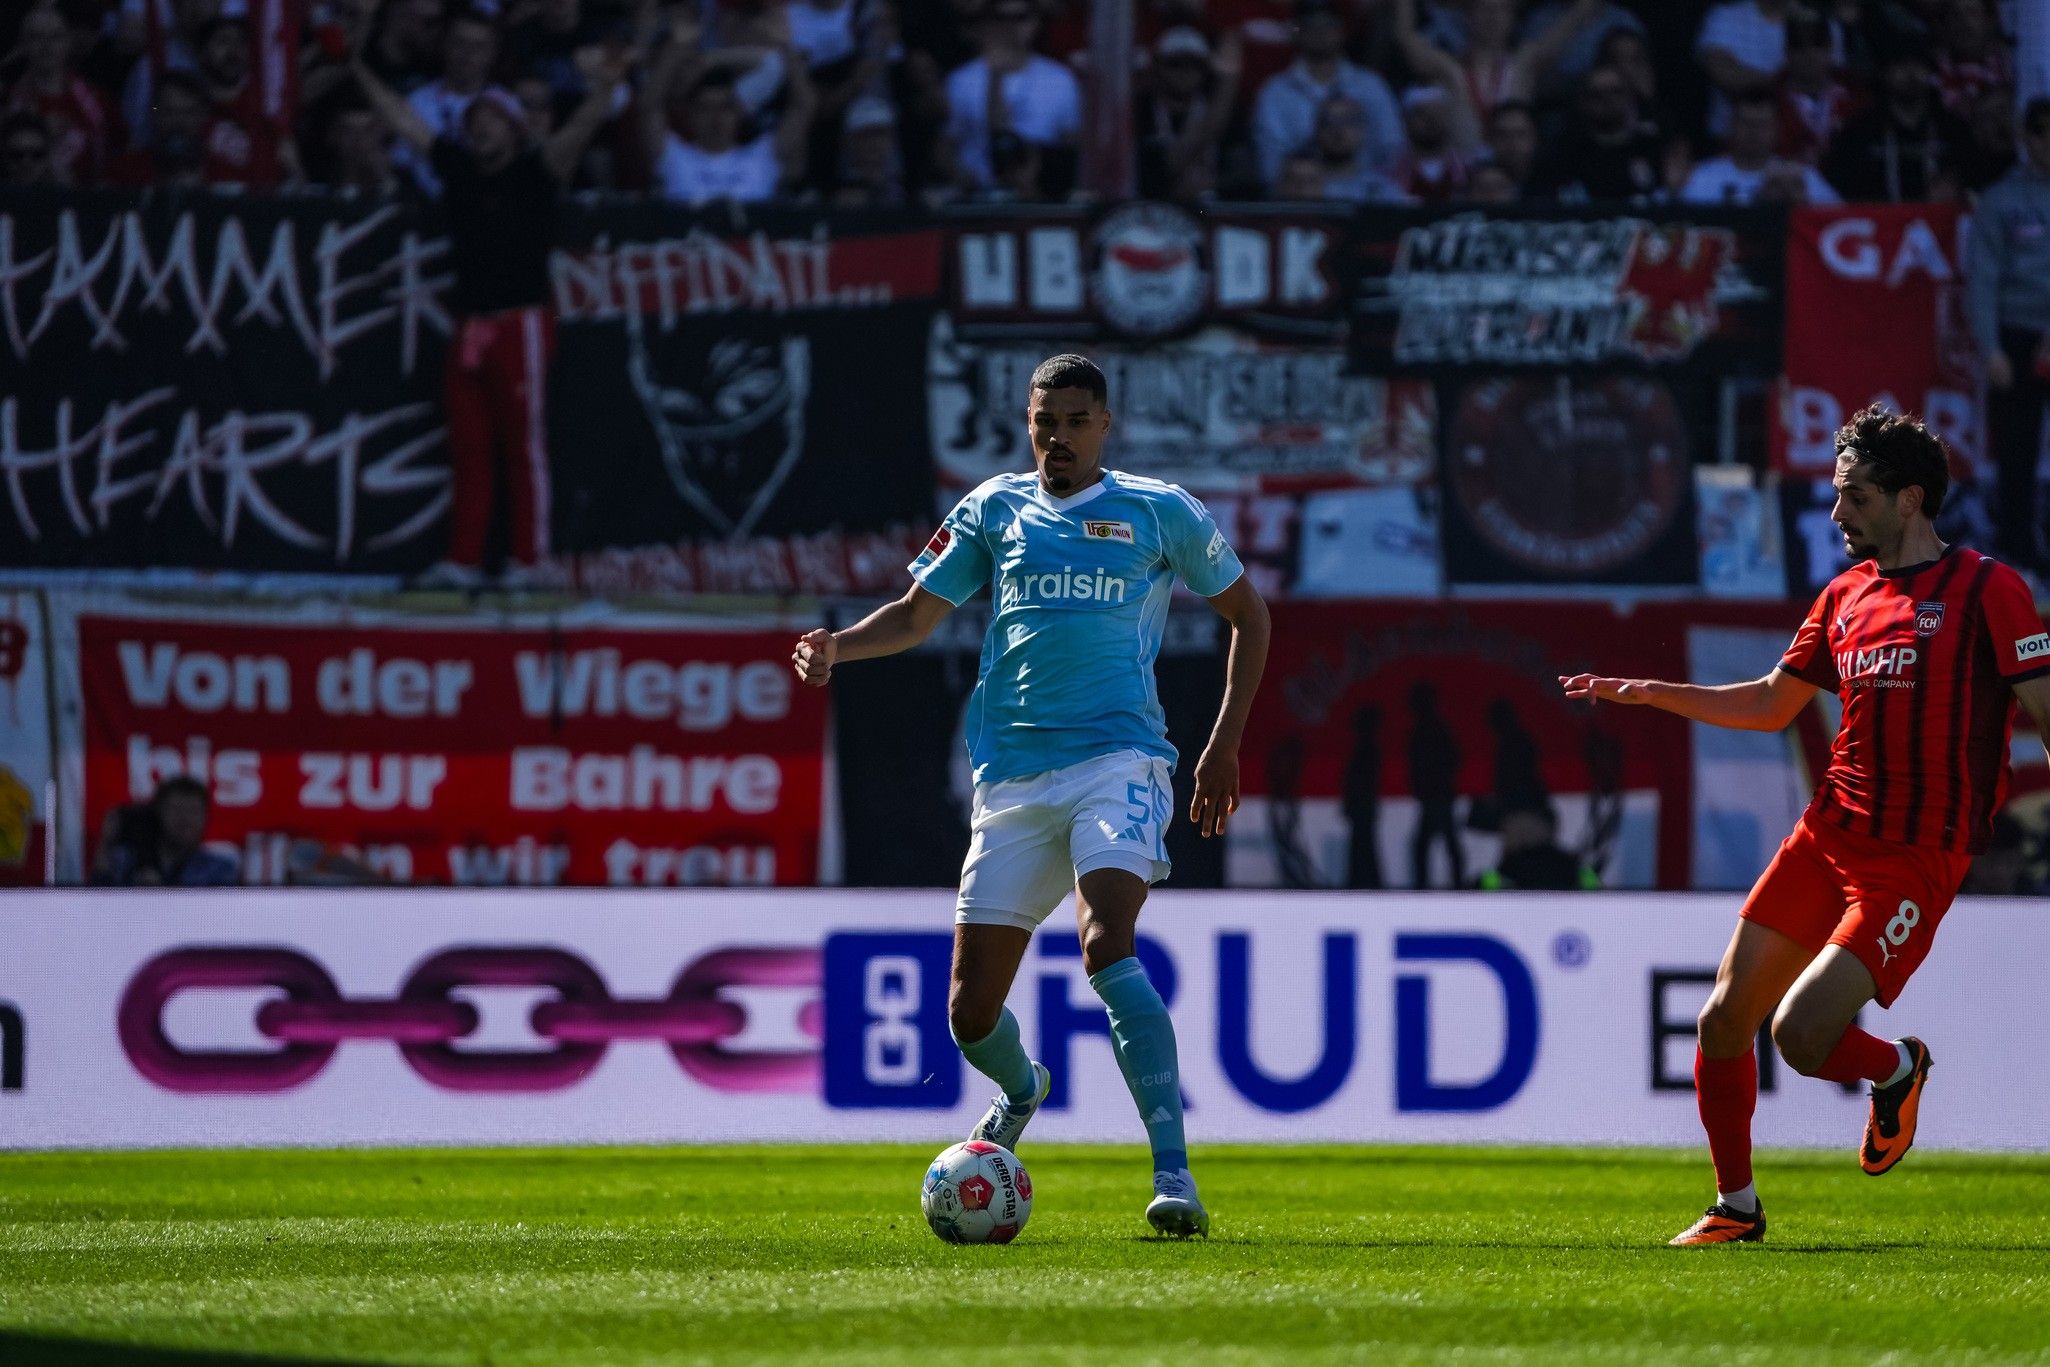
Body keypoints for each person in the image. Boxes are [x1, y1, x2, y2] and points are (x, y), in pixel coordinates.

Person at [789, 354, 1270, 1238]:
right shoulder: (992, 508)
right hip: (1010, 779)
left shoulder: (1159, 510)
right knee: (970, 1012)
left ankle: (1175, 1175)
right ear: (1029, 421)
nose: (1059, 437)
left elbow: (1251, 614)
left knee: (1106, 938)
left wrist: (1223, 743)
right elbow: (914, 613)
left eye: (1077, 420)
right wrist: (838, 650)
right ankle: (1023, 1088)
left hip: (1118, 761)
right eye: (1045, 421)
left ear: (1106, 425)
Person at [1562, 406, 2050, 1246]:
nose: (1837, 514)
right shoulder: (1845, 596)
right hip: (1826, 835)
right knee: (1721, 1021)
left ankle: (1899, 1066)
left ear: (1909, 498)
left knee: (1799, 1033)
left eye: (1854, 496)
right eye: (1835, 495)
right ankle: (1735, 1207)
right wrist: (1649, 691)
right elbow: (1769, 702)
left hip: (1914, 858)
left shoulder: (1988, 590)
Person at [357, 34, 630, 589]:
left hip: (520, 323)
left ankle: (531, 560)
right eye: (473, 119)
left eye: (490, 119)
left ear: (513, 127)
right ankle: (463, 561)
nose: (478, 127)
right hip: (470, 327)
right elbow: (402, 120)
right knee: (469, 449)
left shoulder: (538, 170)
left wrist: (605, 81)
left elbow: (582, 127)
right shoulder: (456, 169)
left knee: (523, 448)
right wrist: (356, 66)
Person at [1967, 97, 2050, 578]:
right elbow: (1983, 277)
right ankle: (2017, 545)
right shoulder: (2001, 200)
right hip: (2016, 336)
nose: (2048, 141)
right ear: (2026, 137)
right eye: (2041, 131)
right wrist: (1990, 347)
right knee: (2016, 448)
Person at [1252, 0, 1402, 188]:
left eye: (1327, 25)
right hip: (1301, 203)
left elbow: (1392, 149)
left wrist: (1366, 190)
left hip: (1367, 202)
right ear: (1297, 32)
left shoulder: (1370, 85)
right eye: (1311, 26)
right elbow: (1270, 165)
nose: (1320, 33)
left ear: (1341, 30)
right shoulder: (1275, 92)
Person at [939, 0, 1079, 194]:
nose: (1010, 26)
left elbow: (1071, 144)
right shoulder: (961, 80)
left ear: (1036, 23)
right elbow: (945, 148)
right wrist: (962, 180)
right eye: (1001, 18)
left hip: (1040, 198)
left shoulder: (1060, 79)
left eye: (1020, 17)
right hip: (978, 199)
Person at [1822, 45, 1965, 202]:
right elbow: (1836, 186)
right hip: (1876, 221)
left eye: (1919, 65)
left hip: (1941, 221)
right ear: (1884, 73)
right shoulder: (1859, 131)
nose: (1911, 73)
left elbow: (1974, 179)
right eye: (1901, 65)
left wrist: (1957, 187)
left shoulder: (1952, 129)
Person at [1681, 88, 1838, 204]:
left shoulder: (1801, 175)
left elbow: (1839, 218)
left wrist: (1801, 202)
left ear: (1777, 129)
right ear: (1732, 126)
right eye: (1746, 123)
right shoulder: (1701, 176)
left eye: (1762, 124)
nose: (1753, 131)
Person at [91, 776, 238, 887]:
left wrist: (161, 891)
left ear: (205, 817)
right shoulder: (126, 861)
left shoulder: (220, 869)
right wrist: (107, 840)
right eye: (175, 809)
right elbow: (97, 902)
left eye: (193, 811)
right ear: (158, 812)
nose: (184, 819)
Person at [1475, 800, 1600, 891]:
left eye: (1508, 829)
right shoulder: (1570, 864)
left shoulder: (1513, 865)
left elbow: (1481, 887)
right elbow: (1594, 888)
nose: (1505, 836)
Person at [0, 111, 58, 187]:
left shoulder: (66, 196)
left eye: (37, 154)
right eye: (17, 155)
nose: (26, 162)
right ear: (4, 156)